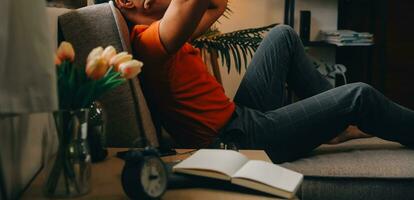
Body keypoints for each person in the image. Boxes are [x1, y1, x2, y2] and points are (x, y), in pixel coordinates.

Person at [114, 0, 414, 163]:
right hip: (236, 140)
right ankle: (340, 120)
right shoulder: (151, 42)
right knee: (359, 96)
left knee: (282, 35)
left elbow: (216, 5)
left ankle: (336, 127)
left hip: (239, 119)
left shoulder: (165, 38)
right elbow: (186, 6)